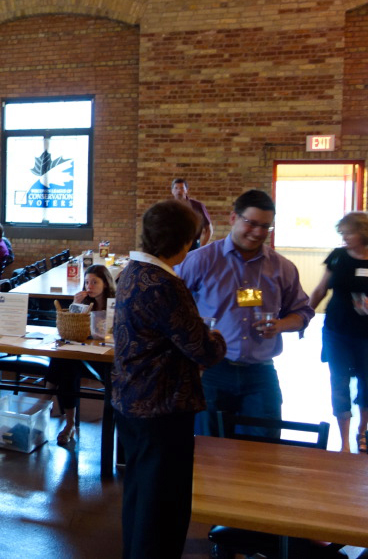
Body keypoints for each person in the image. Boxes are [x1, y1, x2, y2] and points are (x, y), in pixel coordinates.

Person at [113, 199, 227, 559]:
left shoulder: (132, 271)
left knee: (140, 495)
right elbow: (202, 349)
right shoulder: (165, 283)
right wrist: (216, 338)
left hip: (131, 400)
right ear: (183, 242)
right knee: (162, 507)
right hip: (162, 406)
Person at [177, 189, 315, 437]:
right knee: (208, 447)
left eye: (265, 227)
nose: (258, 232)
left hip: (260, 373)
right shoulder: (200, 260)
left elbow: (303, 312)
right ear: (233, 218)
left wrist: (281, 325)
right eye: (251, 223)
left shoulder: (282, 267)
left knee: (263, 449)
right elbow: (172, 305)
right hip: (211, 370)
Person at [309, 211, 368, 453]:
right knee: (339, 382)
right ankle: (344, 442)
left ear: (362, 233)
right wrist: (304, 316)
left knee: (367, 383)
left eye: (348, 233)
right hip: (337, 331)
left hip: (366, 334)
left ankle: (362, 432)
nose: (344, 238)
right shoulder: (338, 256)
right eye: (341, 233)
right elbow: (321, 289)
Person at [43, 264, 116, 447]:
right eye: (86, 282)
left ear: (106, 283)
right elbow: (69, 331)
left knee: (65, 361)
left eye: (94, 282)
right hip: (85, 354)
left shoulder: (115, 304)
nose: (89, 286)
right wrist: (75, 306)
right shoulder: (84, 303)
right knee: (66, 361)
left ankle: (46, 397)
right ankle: (69, 424)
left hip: (106, 359)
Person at [171, 178, 213, 250]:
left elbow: (209, 230)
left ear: (187, 190)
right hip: (173, 245)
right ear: (172, 191)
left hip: (193, 245)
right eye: (176, 188)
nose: (179, 190)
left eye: (182, 188)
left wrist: (201, 249)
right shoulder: (168, 207)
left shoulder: (197, 206)